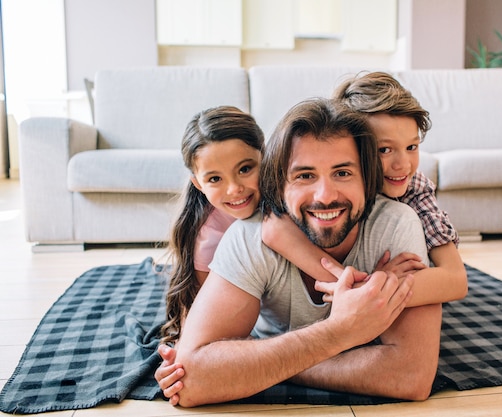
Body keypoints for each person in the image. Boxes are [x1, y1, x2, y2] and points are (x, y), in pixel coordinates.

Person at [158, 98, 442, 407]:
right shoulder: (248, 235)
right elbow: (193, 380)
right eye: (305, 175)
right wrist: (339, 333)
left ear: (368, 178)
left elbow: (412, 377)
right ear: (279, 183)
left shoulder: (396, 225)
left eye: (343, 173)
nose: (325, 196)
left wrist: (255, 363)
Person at [263, 71, 467, 306]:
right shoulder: (323, 191)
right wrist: (359, 288)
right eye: (384, 150)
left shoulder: (414, 188)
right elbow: (273, 231)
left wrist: (366, 289)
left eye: (412, 147)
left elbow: (455, 278)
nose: (403, 165)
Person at [160, 106, 266, 345]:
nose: (234, 188)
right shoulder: (209, 237)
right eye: (215, 179)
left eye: (245, 169)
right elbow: (203, 306)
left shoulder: (288, 196)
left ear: (265, 157)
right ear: (198, 184)